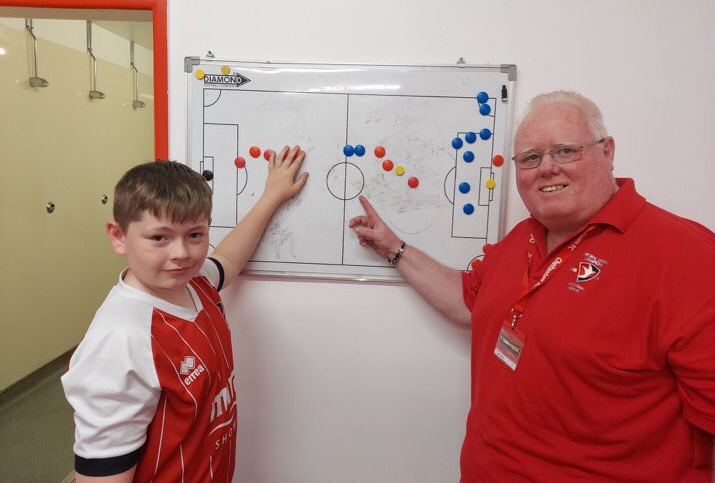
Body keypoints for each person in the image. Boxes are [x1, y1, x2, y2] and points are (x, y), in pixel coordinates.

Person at [350, 91, 715, 482]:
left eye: (565, 151)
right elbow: (467, 300)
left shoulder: (685, 255)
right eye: (530, 158)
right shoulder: (523, 237)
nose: (547, 169)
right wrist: (396, 249)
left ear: (607, 152)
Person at [62, 147, 308, 482]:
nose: (181, 254)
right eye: (159, 237)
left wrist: (270, 197)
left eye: (195, 235)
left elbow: (228, 260)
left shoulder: (196, 283)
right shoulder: (119, 341)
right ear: (119, 236)